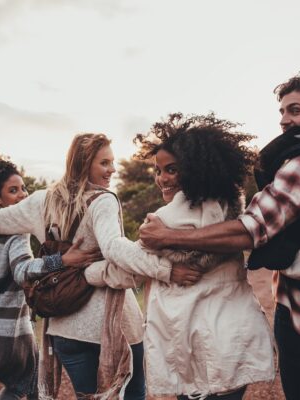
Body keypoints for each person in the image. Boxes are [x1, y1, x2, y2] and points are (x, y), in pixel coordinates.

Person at [139, 72, 300, 400]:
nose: (284, 120)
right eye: (282, 112)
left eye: (294, 111)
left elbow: (250, 230)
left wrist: (166, 236)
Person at [85, 113, 275, 399]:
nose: (162, 178)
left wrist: (86, 270)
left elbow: (124, 261)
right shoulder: (228, 205)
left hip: (195, 346)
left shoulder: (170, 218)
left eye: (171, 169)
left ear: (195, 168)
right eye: (159, 170)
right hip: (232, 339)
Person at [0, 134, 180, 399]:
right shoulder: (103, 200)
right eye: (105, 163)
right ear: (85, 164)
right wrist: (165, 267)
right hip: (114, 326)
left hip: (64, 327)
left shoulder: (42, 201)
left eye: (113, 162)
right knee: (133, 393)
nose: (113, 169)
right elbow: (114, 249)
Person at [0, 154, 100, 400]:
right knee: (30, 381)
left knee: (29, 384)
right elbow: (22, 271)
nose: (23, 195)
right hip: (7, 331)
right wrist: (63, 260)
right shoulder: (16, 234)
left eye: (23, 188)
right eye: (13, 191)